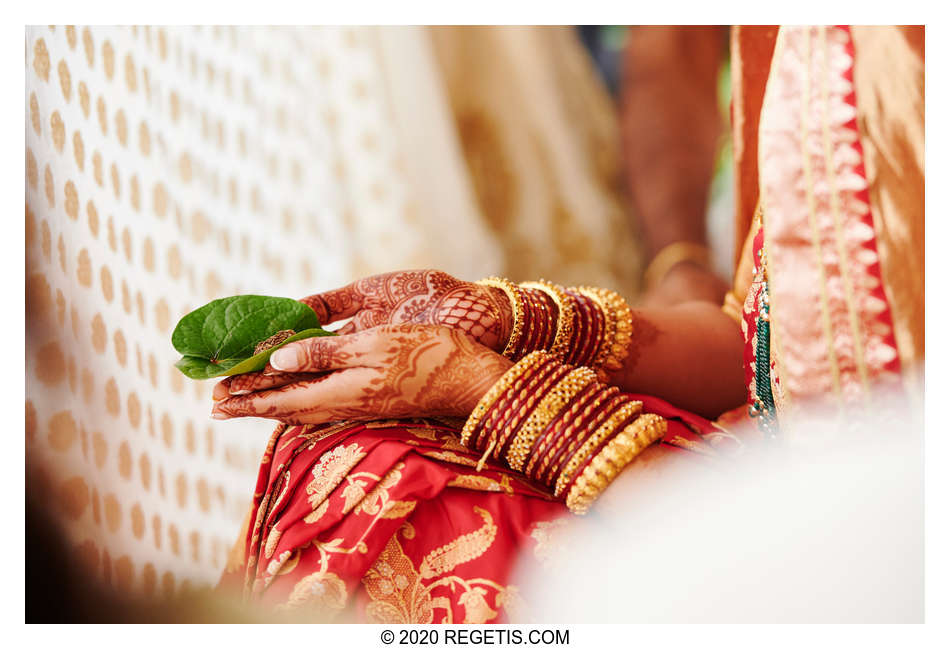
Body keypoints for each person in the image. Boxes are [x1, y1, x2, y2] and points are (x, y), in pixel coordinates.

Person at [213, 25, 923, 623]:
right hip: (768, 466)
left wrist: (484, 386)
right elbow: (763, 350)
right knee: (346, 444)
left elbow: (859, 542)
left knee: (393, 502)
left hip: (847, 556)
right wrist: (501, 317)